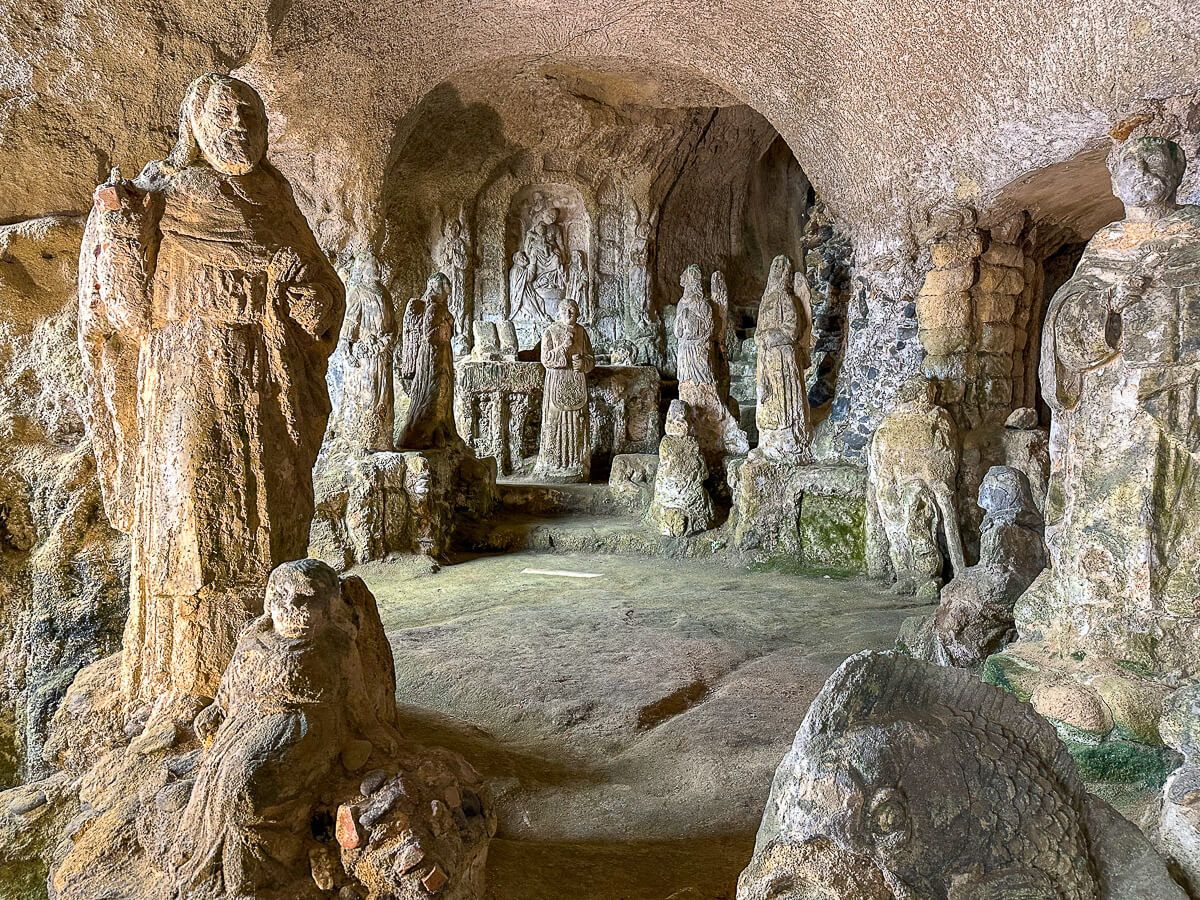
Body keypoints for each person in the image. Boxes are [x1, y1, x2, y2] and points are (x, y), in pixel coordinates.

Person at [533, 299, 594, 482]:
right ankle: (552, 463)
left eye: (572, 310)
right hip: (557, 381)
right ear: (558, 313)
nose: (568, 313)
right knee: (555, 421)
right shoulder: (550, 331)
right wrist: (563, 347)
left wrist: (583, 363)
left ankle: (578, 463)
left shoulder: (582, 332)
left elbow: (591, 358)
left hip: (576, 381)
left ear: (578, 313)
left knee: (577, 421)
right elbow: (546, 359)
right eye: (565, 310)